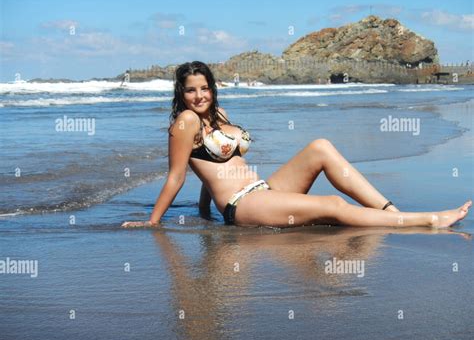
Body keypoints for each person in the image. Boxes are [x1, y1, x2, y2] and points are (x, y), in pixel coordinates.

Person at [122, 61, 471, 229]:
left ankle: (390, 211)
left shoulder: (218, 113)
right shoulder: (184, 121)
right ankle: (426, 219)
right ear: (180, 93)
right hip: (243, 206)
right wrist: (153, 222)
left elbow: (208, 167)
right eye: (190, 90)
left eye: (204, 88)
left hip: (263, 190)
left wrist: (203, 210)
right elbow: (177, 175)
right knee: (333, 204)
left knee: (320, 146)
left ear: (213, 88)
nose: (199, 96)